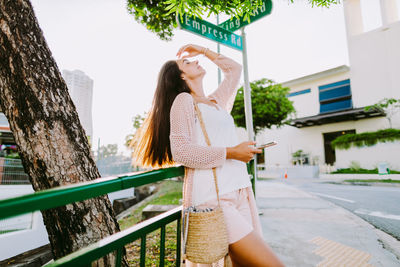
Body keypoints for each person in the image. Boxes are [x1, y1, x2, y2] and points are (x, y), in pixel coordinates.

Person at [132, 44, 284, 267]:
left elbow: (234, 70)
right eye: (186, 62)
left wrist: (202, 50)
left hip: (240, 190)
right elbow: (182, 151)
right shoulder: (184, 102)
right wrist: (233, 152)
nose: (193, 60)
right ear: (181, 77)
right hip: (216, 198)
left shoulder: (216, 102)